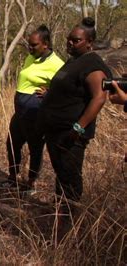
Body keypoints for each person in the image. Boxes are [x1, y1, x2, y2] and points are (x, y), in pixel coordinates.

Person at [38, 17, 112, 211]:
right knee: (61, 174)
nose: (70, 42)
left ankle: (69, 219)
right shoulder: (74, 61)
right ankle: (59, 212)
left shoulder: (93, 65)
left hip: (71, 134)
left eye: (76, 40)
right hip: (55, 131)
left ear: (89, 43)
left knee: (70, 178)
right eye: (69, 39)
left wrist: (78, 127)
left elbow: (99, 98)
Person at [5, 25, 64, 190]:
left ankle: (31, 182)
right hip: (20, 113)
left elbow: (66, 87)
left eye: (34, 45)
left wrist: (50, 93)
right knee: (12, 143)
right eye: (29, 44)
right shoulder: (31, 57)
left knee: (35, 148)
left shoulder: (56, 63)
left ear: (45, 44)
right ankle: (12, 178)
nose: (30, 48)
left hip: (36, 115)